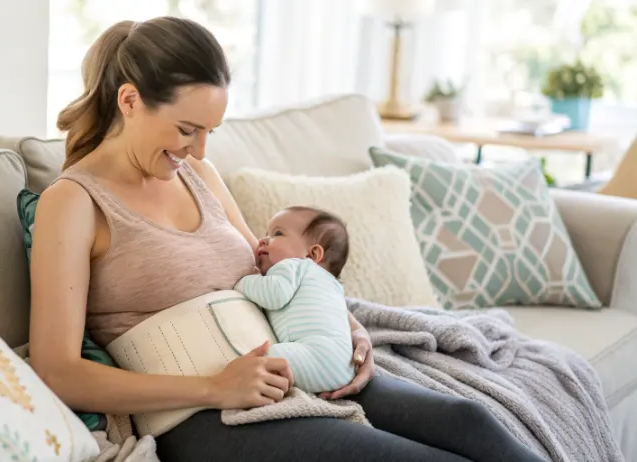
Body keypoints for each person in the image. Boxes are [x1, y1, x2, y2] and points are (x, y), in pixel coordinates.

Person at [28, 16, 545, 462]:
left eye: (209, 131)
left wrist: (347, 327)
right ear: (130, 101)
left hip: (292, 368)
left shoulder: (198, 175)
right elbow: (58, 372)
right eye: (187, 129)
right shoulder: (73, 203)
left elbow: (269, 267)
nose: (199, 149)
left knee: (472, 421)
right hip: (198, 413)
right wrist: (213, 387)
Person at [234, 206, 356, 394]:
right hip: (345, 366)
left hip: (316, 354)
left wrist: (242, 281)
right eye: (266, 234)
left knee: (258, 360)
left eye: (277, 234)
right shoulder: (332, 286)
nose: (262, 240)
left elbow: (274, 295)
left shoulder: (294, 265)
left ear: (312, 255)